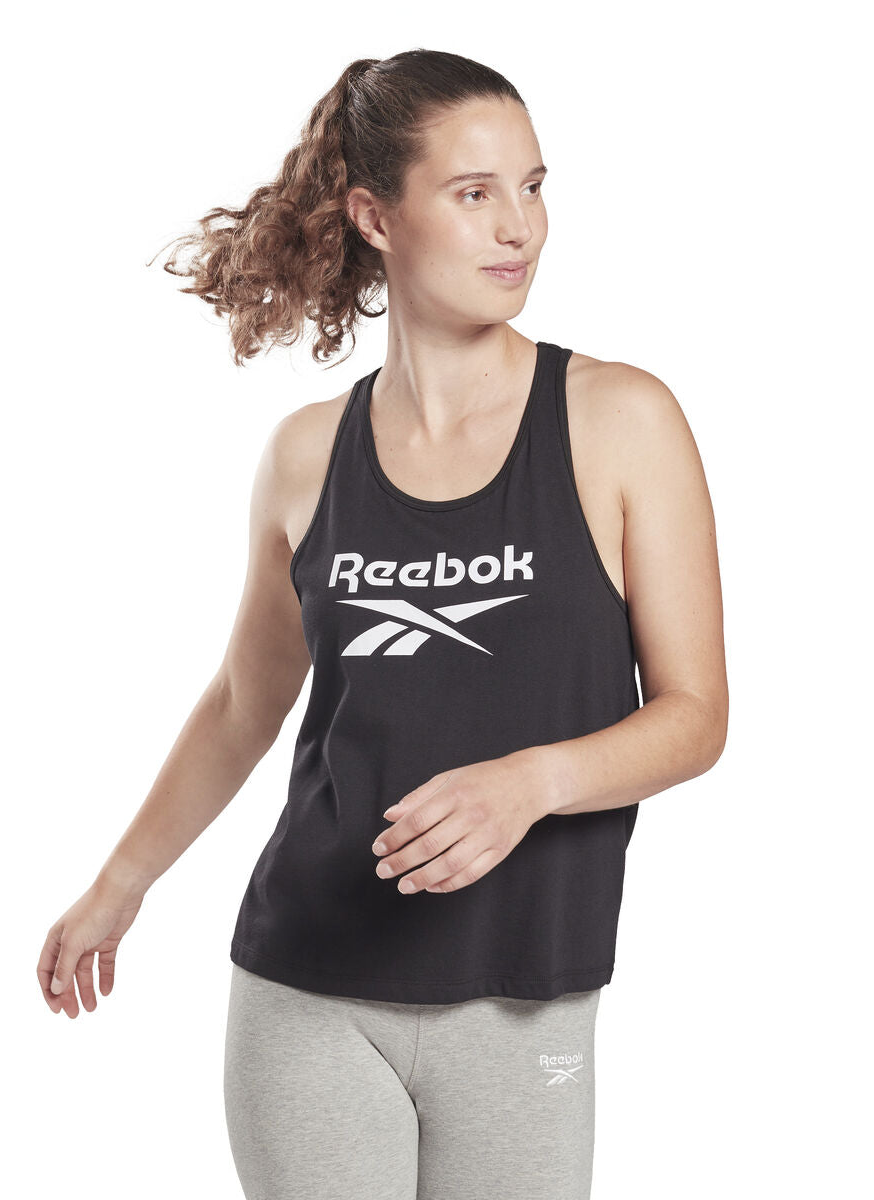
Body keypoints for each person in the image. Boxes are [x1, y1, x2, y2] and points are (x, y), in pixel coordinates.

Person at [36, 48, 728, 1200]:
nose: (519, 226)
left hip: (522, 998)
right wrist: (121, 883)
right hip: (306, 992)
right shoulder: (307, 455)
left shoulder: (621, 420)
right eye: (474, 192)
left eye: (533, 186)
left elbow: (696, 715)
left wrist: (533, 783)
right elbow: (244, 703)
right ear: (374, 215)